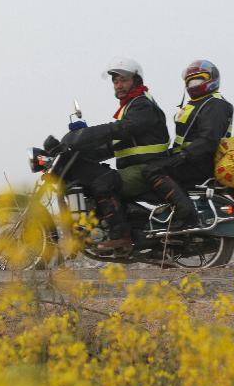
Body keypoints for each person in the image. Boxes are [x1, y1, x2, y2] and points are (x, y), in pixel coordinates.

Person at [60, 57, 169, 250]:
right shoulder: (129, 107)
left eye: (124, 80)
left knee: (103, 182)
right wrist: (82, 151)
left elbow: (120, 129)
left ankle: (121, 236)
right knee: (94, 176)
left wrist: (84, 135)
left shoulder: (142, 105)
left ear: (136, 81)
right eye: (116, 81)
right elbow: (114, 145)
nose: (118, 85)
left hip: (148, 168)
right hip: (139, 167)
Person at [144, 59, 234, 229]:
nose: (194, 84)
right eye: (190, 81)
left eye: (199, 80)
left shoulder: (215, 104)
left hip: (201, 162)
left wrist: (183, 155)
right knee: (150, 165)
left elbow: (209, 139)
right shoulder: (197, 104)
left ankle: (185, 213)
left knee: (153, 171)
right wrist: (171, 154)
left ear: (212, 80)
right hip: (191, 158)